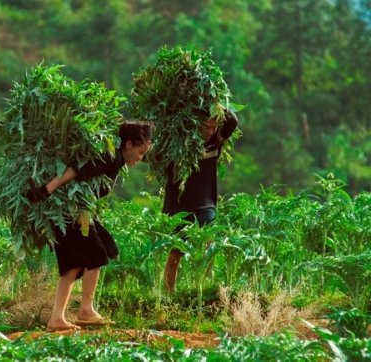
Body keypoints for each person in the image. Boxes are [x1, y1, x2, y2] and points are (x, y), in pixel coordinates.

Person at [26, 121, 154, 332]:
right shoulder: (112, 157)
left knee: (74, 263)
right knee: (97, 254)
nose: (141, 159)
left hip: (70, 211)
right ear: (129, 144)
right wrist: (47, 189)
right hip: (71, 211)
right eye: (140, 152)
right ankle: (86, 310)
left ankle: (56, 318)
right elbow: (78, 168)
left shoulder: (117, 160)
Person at [163, 109, 239, 293]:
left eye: (214, 127)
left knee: (209, 247)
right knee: (175, 253)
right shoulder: (178, 144)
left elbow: (232, 121)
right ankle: (168, 294)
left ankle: (203, 290)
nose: (210, 131)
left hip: (206, 205)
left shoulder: (215, 142)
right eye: (206, 127)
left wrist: (209, 101)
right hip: (179, 206)